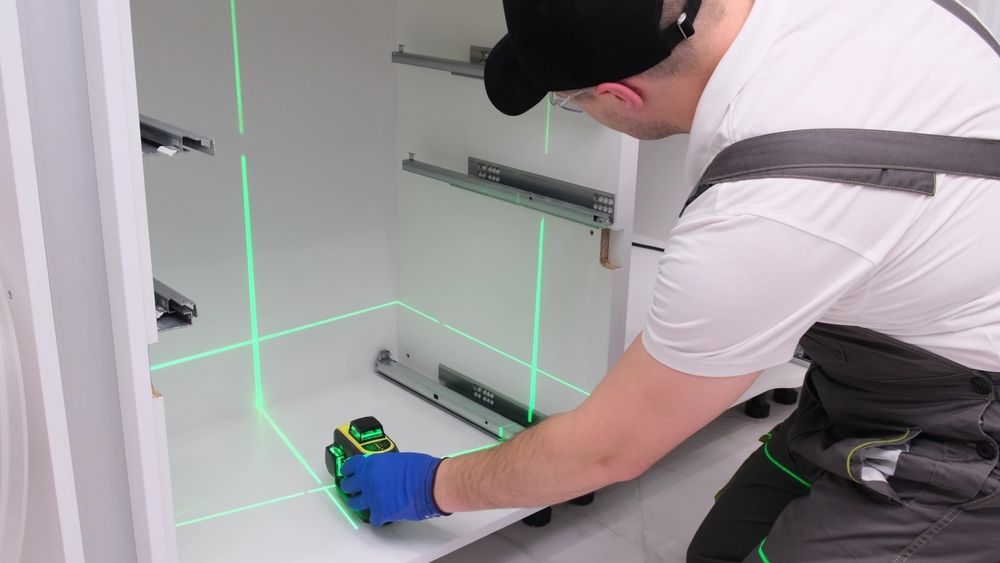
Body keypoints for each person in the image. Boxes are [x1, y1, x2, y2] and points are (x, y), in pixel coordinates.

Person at [341, 0, 1000, 560]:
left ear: (619, 96)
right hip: (878, 377)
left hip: (963, 435)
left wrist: (431, 485)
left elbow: (606, 451)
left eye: (571, 102)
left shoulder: (765, 209)